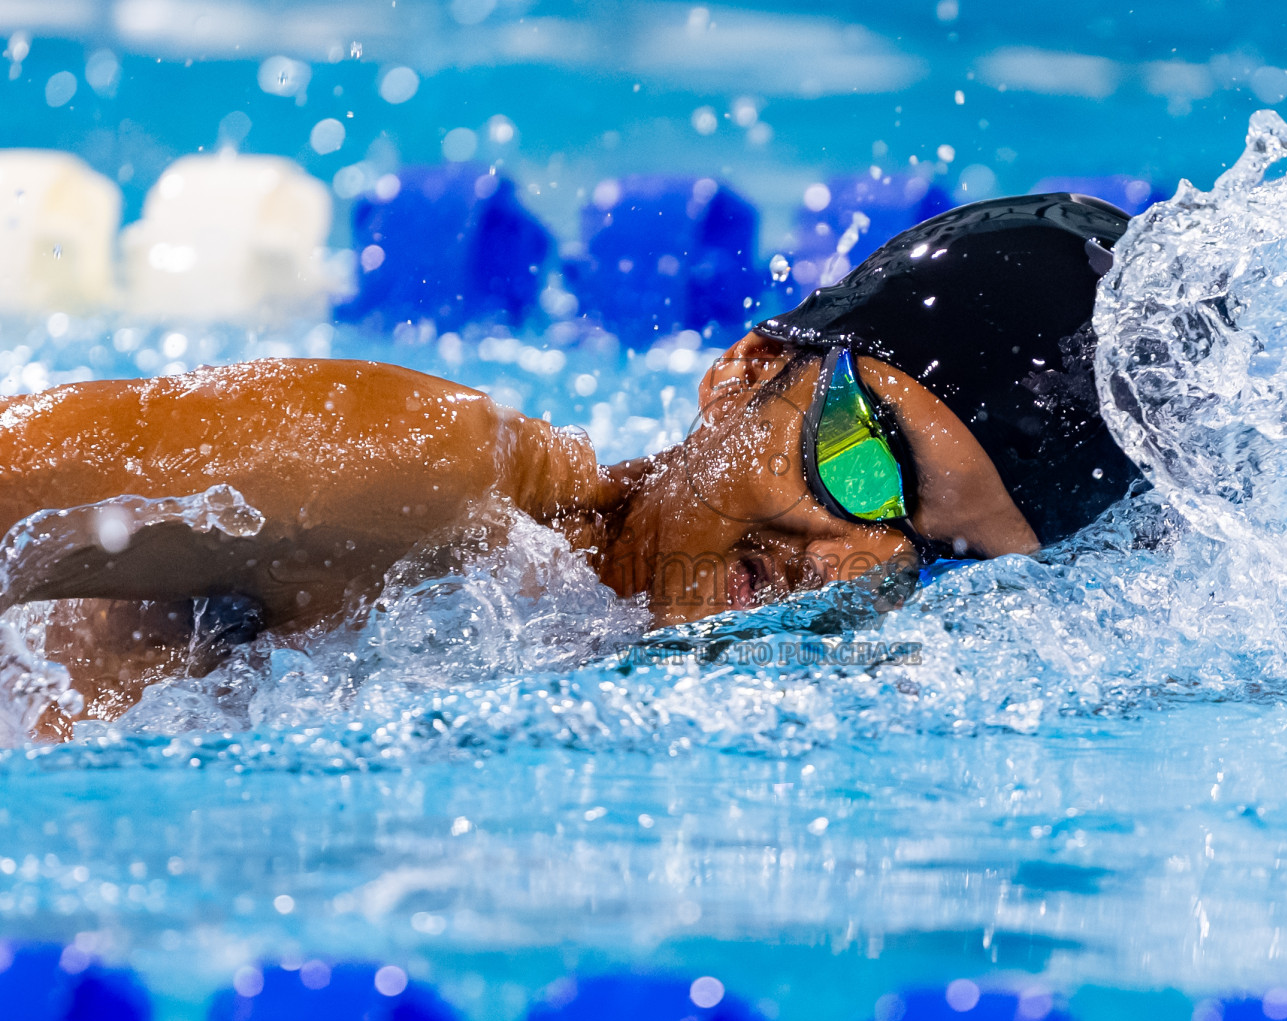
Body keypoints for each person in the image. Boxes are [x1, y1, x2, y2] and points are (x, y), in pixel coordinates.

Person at [0, 193, 1141, 736]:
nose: (854, 564)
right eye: (859, 457)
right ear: (744, 370)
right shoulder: (422, 479)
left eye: (942, 560)